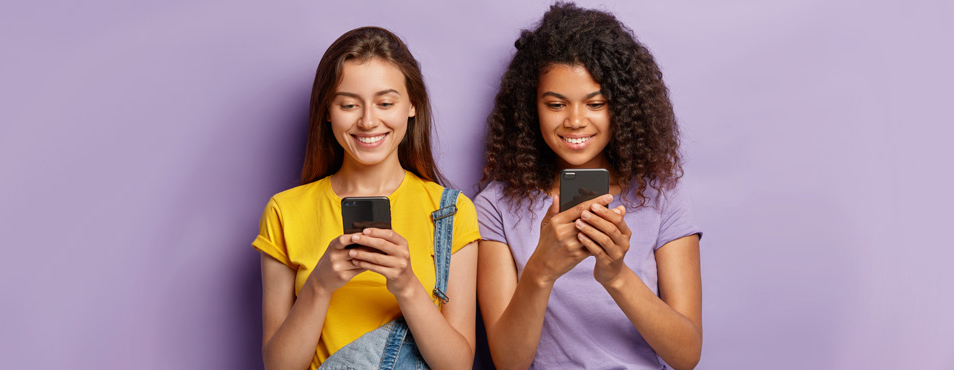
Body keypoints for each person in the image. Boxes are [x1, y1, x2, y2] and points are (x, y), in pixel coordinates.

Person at [475, 3, 704, 369]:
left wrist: (615, 275)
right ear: (530, 108)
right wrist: (541, 269)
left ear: (622, 107)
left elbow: (686, 354)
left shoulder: (661, 195)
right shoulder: (495, 206)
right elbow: (508, 362)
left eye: (595, 103)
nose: (576, 121)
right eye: (555, 104)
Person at [254, 27, 480, 370]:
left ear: (412, 105)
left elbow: (457, 366)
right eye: (348, 104)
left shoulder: (451, 211)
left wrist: (406, 285)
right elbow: (279, 367)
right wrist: (319, 285)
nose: (368, 121)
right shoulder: (285, 211)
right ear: (327, 112)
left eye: (385, 103)